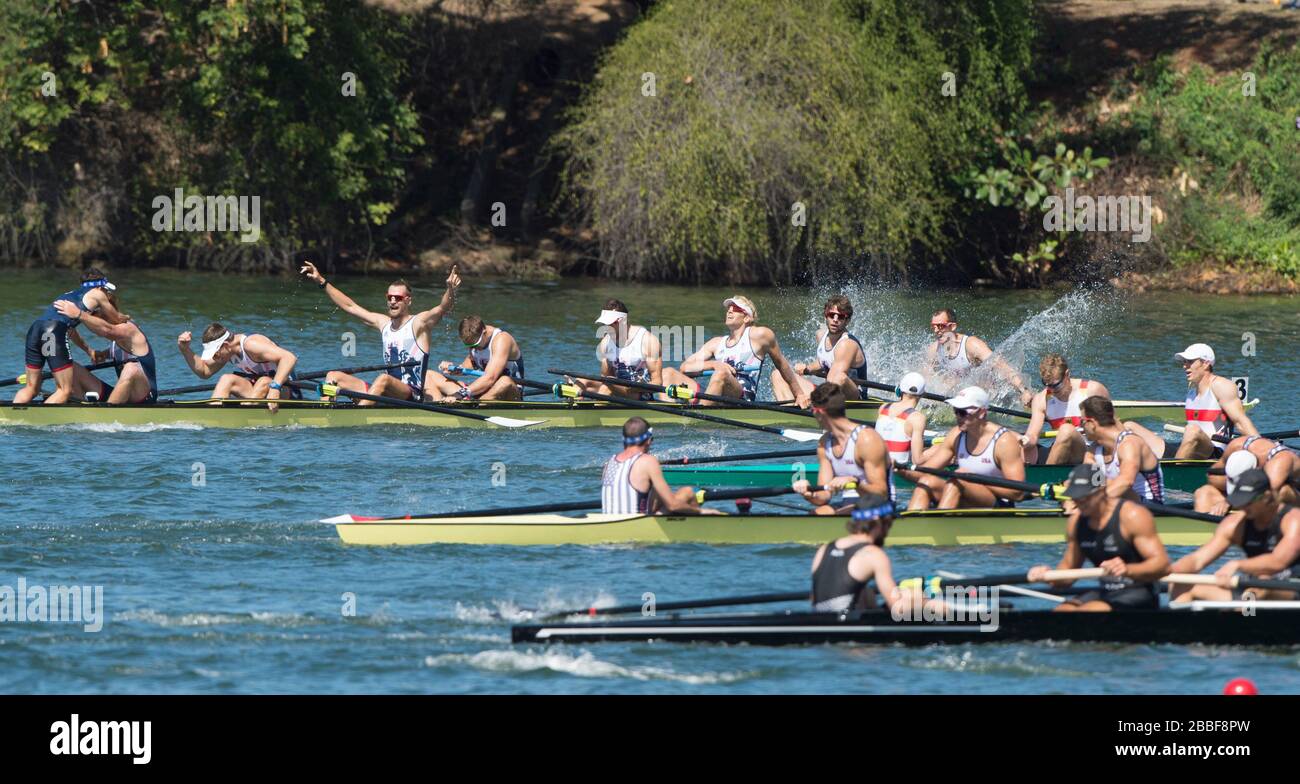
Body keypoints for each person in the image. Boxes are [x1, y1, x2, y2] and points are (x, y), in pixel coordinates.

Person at [299, 261, 460, 404]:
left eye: (397, 297)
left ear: (408, 300)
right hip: (386, 393)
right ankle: (324, 412)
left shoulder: (419, 323)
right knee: (333, 376)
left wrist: (450, 289)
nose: (392, 301)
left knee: (383, 379)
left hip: (411, 394)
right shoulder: (383, 323)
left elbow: (442, 308)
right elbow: (350, 307)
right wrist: (321, 281)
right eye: (389, 297)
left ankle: (360, 414)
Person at [1028, 463, 1170, 611]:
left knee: (1086, 612)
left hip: (1139, 591)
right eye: (1075, 496)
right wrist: (1048, 576)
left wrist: (1127, 569)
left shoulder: (1132, 516)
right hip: (1107, 592)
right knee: (1063, 611)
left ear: (1101, 490)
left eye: (1085, 496)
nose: (1079, 502)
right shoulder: (1076, 523)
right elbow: (1067, 575)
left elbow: (1163, 566)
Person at [1170, 468, 1300, 604]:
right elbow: (1198, 560)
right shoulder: (1235, 525)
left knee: (1260, 584)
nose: (1243, 507)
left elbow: (1278, 562)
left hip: (1292, 588)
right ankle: (1179, 623)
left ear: (1266, 497)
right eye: (1240, 501)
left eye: (1248, 502)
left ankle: (1244, 621)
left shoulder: (1293, 520)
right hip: (1251, 593)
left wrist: (1237, 565)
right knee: (1180, 583)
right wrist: (1176, 569)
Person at [660, 296, 809, 408]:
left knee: (722, 374)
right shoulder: (716, 343)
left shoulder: (760, 335)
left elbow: (782, 365)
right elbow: (686, 367)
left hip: (741, 397)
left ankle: (698, 415)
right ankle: (665, 412)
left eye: (736, 308)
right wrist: (714, 364)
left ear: (747, 318)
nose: (730, 310)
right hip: (716, 393)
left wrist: (799, 394)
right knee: (668, 373)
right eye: (729, 308)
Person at [14, 269, 125, 405]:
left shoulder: (67, 296)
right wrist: (129, 320)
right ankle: (44, 421)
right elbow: (117, 318)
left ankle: (11, 417)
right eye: (107, 290)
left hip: (35, 330)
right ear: (100, 286)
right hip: (52, 331)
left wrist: (89, 351)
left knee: (31, 388)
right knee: (64, 390)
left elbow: (70, 330)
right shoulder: (97, 293)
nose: (107, 294)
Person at [910, 386, 1026, 510]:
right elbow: (925, 472)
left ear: (981, 413)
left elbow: (1018, 493)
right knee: (926, 483)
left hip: (998, 504)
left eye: (963, 412)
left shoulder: (1004, 441)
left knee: (957, 480)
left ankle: (941, 523)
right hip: (964, 494)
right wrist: (897, 468)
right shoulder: (956, 435)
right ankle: (912, 525)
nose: (958, 417)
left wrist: (973, 478)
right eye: (956, 411)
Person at [792, 383, 893, 514]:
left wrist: (855, 482)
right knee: (814, 515)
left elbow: (881, 493)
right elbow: (824, 496)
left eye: (812, 410)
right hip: (848, 505)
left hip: (880, 507)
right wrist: (808, 492)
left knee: (831, 515)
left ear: (819, 412)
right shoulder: (824, 444)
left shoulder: (866, 439)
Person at [810, 494, 912, 613]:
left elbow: (814, 598)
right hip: (847, 627)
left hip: (819, 623)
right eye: (889, 523)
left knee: (866, 592)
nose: (888, 530)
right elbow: (898, 608)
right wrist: (924, 602)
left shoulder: (824, 548)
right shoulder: (873, 554)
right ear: (879, 522)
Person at [51, 297, 158, 404]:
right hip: (125, 394)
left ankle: (105, 415)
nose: (92, 321)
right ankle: (81, 409)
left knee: (131, 368)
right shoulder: (116, 341)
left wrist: (79, 314)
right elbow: (70, 331)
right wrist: (91, 351)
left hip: (145, 395)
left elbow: (107, 331)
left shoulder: (129, 328)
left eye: (94, 316)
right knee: (70, 368)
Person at [600, 417, 716, 514]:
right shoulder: (649, 461)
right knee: (689, 493)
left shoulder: (609, 462)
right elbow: (673, 506)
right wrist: (703, 512)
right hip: (637, 527)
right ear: (649, 440)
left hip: (609, 522)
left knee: (683, 492)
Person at [178, 323, 299, 413]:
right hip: (257, 391)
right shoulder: (228, 351)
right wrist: (185, 350)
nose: (215, 357)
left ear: (225, 346)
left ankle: (244, 414)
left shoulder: (252, 344)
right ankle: (213, 415)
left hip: (287, 391)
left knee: (264, 381)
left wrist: (275, 387)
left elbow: (289, 357)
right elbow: (204, 371)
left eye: (215, 354)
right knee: (227, 379)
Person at [771, 294, 869, 402]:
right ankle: (789, 410)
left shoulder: (847, 344)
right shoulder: (821, 335)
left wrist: (812, 397)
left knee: (838, 376)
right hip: (830, 390)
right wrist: (807, 368)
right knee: (778, 374)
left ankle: (814, 403)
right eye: (832, 315)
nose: (835, 320)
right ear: (825, 316)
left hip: (853, 397)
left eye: (841, 317)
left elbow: (835, 378)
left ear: (847, 320)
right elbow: (823, 361)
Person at [924, 308, 1032, 404]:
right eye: (933, 327)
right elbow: (927, 375)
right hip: (965, 398)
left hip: (994, 397)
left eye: (940, 326)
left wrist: (1024, 390)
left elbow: (1002, 367)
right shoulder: (934, 349)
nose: (936, 331)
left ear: (952, 326)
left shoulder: (972, 345)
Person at [1021, 353, 1110, 464]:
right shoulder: (1041, 399)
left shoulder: (1092, 390)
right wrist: (1023, 440)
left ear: (1067, 374)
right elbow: (1033, 436)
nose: (1052, 390)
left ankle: (1046, 476)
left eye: (1056, 385)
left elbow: (1110, 431)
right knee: (1010, 439)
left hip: (1088, 452)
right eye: (1047, 385)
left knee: (1066, 430)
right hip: (1060, 449)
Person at [1175, 343, 1257, 459]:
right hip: (1193, 448)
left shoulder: (1221, 386)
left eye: (1190, 361)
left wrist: (1264, 449)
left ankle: (1171, 473)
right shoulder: (1191, 392)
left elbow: (1241, 422)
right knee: (1142, 436)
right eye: (1184, 361)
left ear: (1205, 364)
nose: (1185, 366)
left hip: (1215, 452)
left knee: (1192, 429)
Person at [572, 299, 664, 399]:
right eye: (605, 324)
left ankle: (594, 409)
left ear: (622, 321)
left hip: (639, 394)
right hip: (614, 387)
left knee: (609, 383)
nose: (606, 328)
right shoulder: (605, 343)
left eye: (611, 324)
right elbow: (605, 377)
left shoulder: (648, 341)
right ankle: (574, 408)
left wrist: (632, 388)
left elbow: (657, 383)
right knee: (580, 382)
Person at [1079, 397, 1165, 503]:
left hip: (1149, 506)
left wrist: (1093, 500)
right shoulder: (1093, 451)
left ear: (1092, 423)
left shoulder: (1129, 444)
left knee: (1119, 486)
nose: (1081, 428)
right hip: (1116, 502)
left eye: (1082, 422)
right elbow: (1091, 483)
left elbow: (1126, 482)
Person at [425, 316, 525, 401]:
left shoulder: (501, 340)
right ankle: (441, 409)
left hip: (509, 393)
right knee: (428, 375)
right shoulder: (475, 343)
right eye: (468, 345)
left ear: (484, 331)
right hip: (482, 391)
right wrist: (453, 369)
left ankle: (470, 405)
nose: (473, 348)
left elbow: (490, 378)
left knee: (504, 381)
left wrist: (461, 393)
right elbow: (467, 366)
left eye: (475, 344)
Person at [1194, 435, 1299, 515]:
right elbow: (1211, 475)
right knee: (1204, 492)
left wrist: (1229, 501)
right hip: (1252, 495)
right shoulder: (1237, 445)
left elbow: (1268, 491)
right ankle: (1206, 526)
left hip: (1284, 497)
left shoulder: (1280, 461)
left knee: (1282, 491)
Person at [873, 372, 930, 470]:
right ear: (922, 394)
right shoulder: (917, 418)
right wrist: (939, 449)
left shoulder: (883, 408)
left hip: (875, 467)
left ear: (898, 390)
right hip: (896, 473)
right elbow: (917, 460)